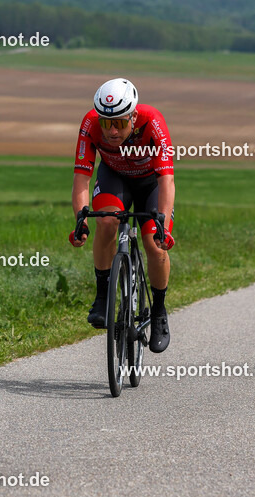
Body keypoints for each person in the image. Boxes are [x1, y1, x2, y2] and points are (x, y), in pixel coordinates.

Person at [68, 78, 175, 353]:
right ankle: (103, 295)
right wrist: (80, 219)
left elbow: (166, 180)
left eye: (119, 123)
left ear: (134, 116)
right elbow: (81, 177)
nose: (112, 131)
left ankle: (160, 312)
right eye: (106, 123)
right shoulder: (90, 124)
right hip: (115, 178)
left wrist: (164, 225)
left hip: (150, 183)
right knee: (105, 221)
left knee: (154, 243)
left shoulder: (153, 122)